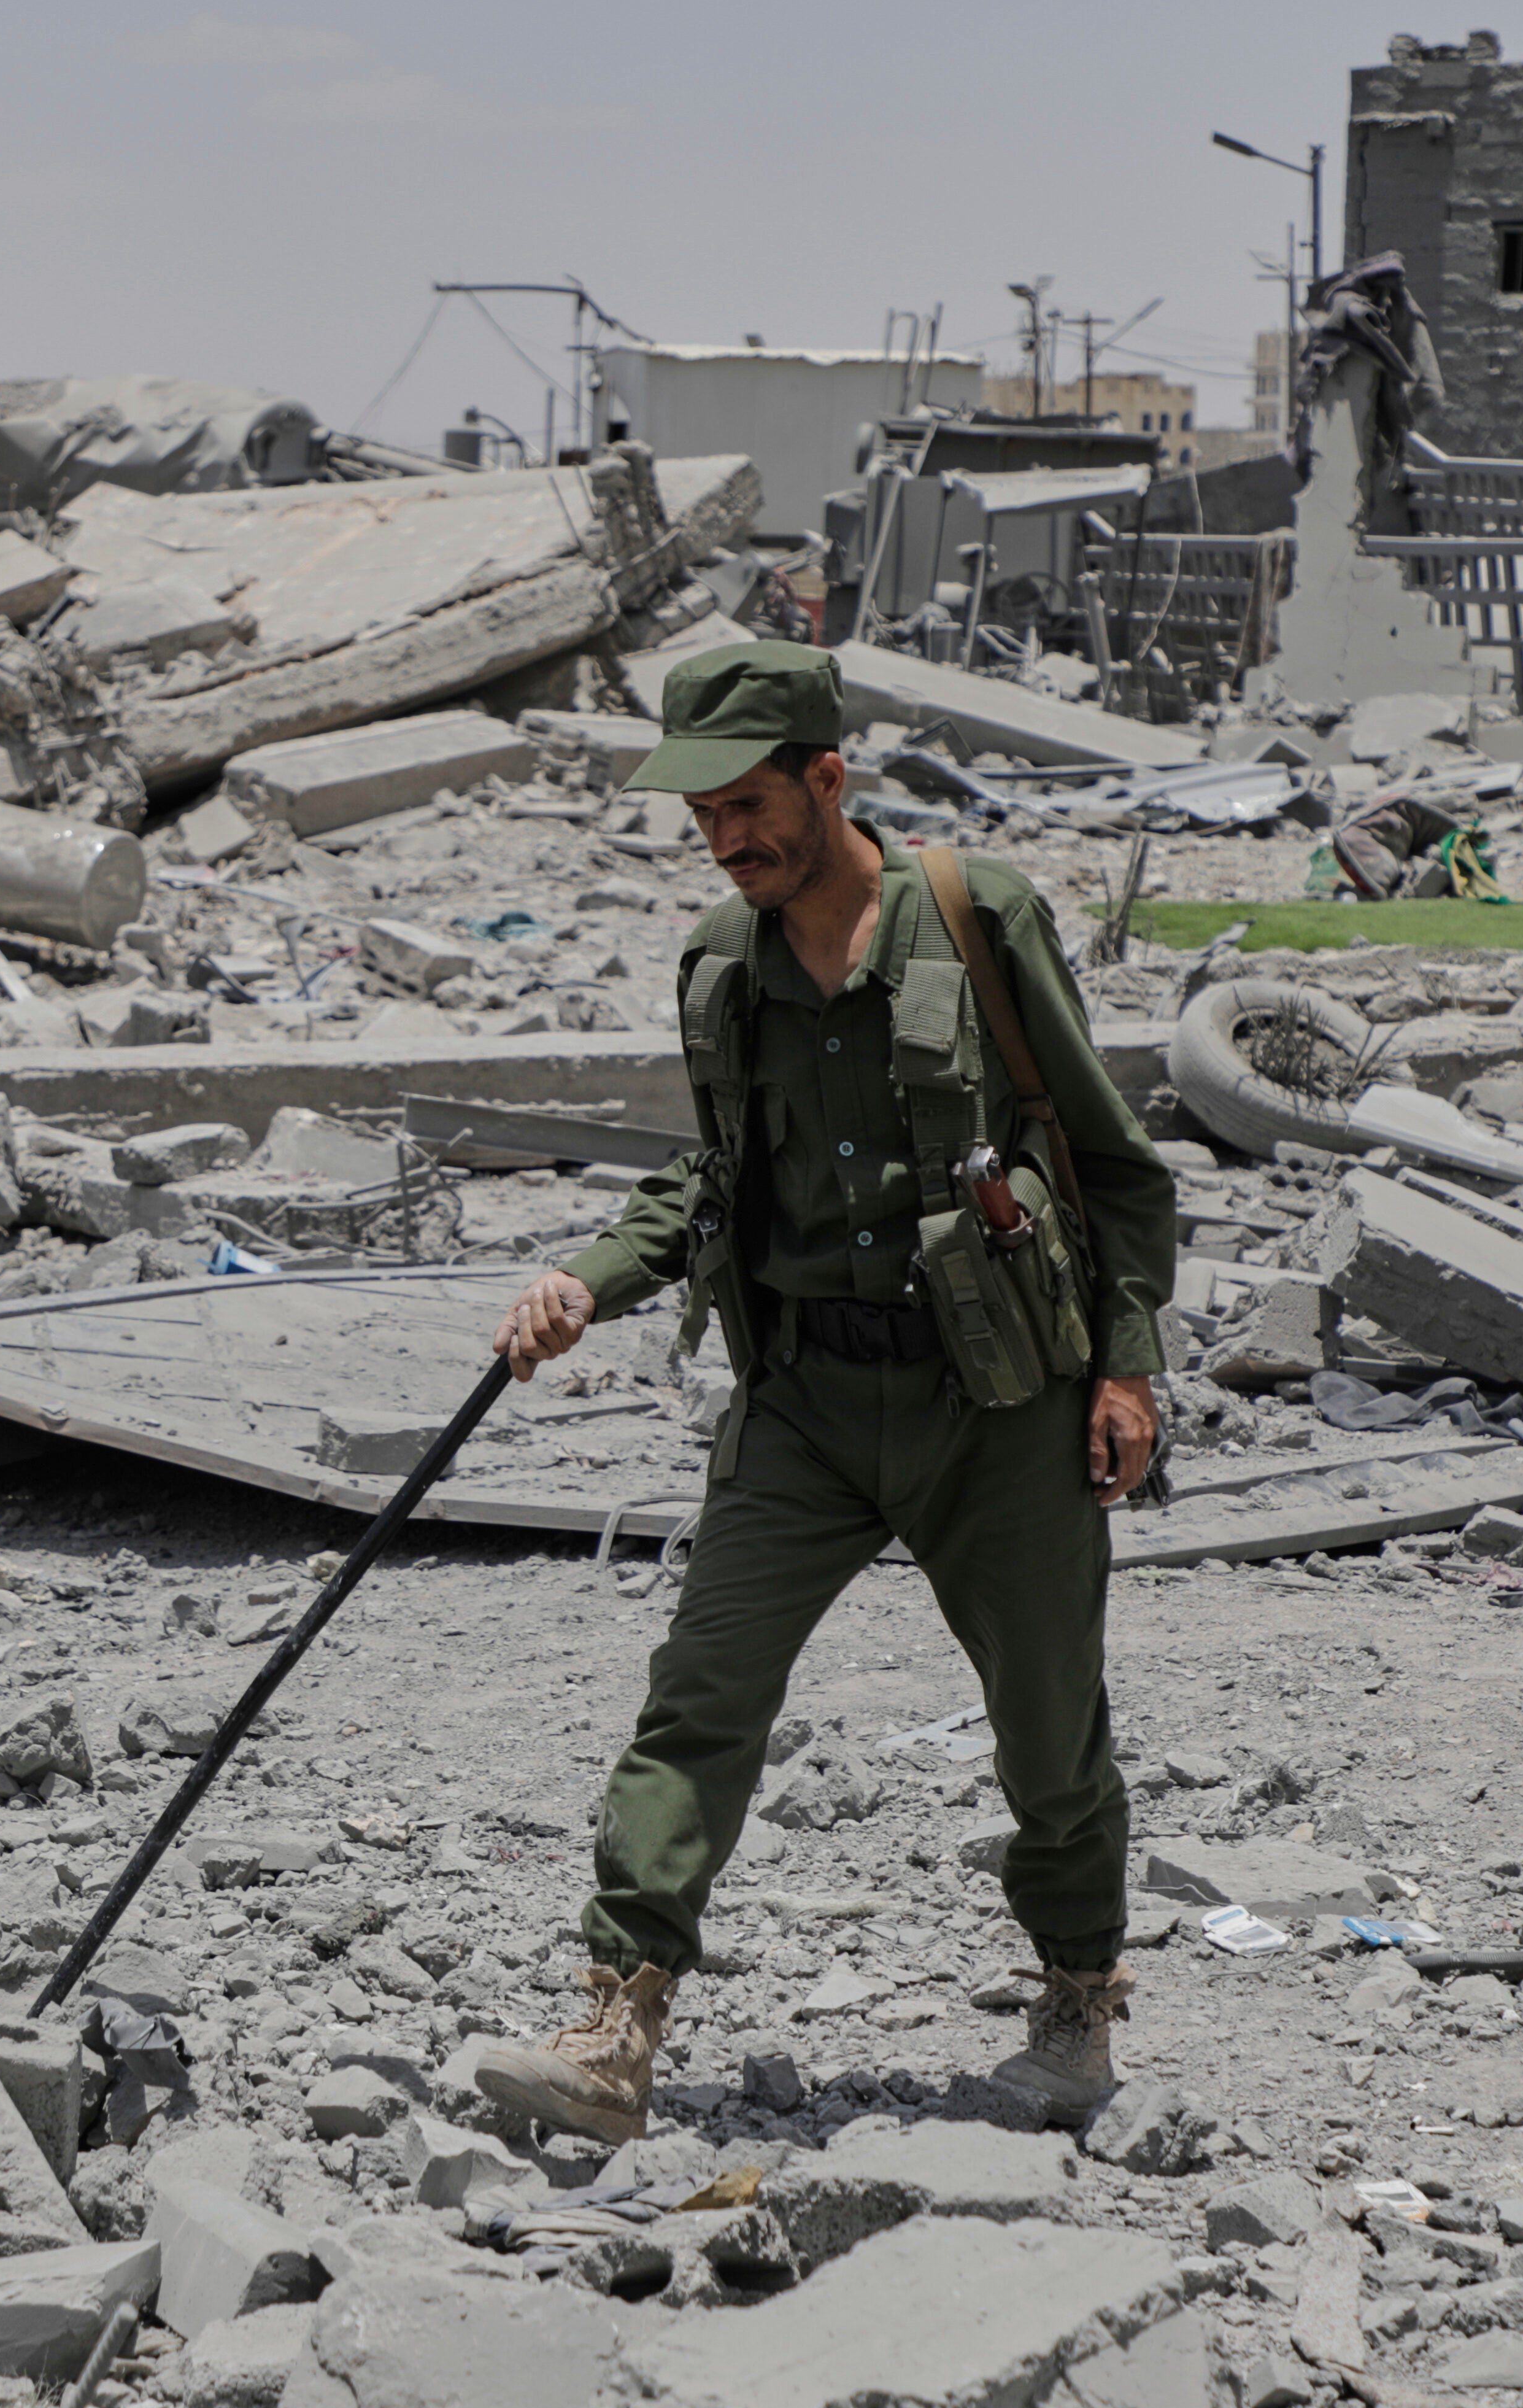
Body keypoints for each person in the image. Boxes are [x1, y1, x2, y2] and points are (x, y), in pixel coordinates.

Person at [470, 639, 1179, 2140]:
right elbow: (715, 1182)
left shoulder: (978, 915)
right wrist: (588, 1279)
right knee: (699, 1699)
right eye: (704, 817)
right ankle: (616, 2024)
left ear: (827, 779)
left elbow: (1111, 1162)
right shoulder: (723, 969)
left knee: (1049, 1724)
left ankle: (1074, 2000)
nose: (727, 841)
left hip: (996, 1406)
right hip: (801, 1405)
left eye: (749, 807)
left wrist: (1127, 1364)